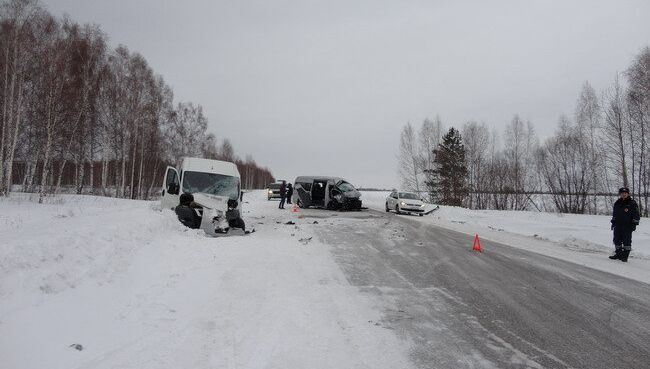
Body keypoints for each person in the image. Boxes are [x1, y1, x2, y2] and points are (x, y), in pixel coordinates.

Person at [610, 187, 640, 262]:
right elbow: (615, 214)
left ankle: (625, 256)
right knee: (617, 240)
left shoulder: (632, 203)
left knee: (627, 241)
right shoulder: (617, 203)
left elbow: (636, 215)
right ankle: (618, 254)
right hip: (618, 225)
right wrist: (613, 223)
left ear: (628, 194)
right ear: (620, 194)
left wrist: (634, 224)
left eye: (625, 193)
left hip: (627, 226)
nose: (624, 194)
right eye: (622, 193)